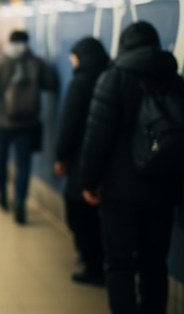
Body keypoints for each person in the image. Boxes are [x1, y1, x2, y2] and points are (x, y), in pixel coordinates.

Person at [79, 21, 184, 314]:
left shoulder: (113, 78)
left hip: (119, 191)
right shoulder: (175, 80)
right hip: (164, 188)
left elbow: (97, 137)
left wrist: (88, 182)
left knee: (120, 263)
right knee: (155, 264)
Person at [0, 30, 57, 223]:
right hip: (27, 122)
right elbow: (49, 83)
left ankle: (2, 196)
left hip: (1, 121)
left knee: (1, 160)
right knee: (24, 164)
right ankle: (20, 202)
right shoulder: (35, 60)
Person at [53, 37, 109, 286]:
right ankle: (96, 258)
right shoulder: (110, 76)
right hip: (106, 159)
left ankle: (92, 263)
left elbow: (69, 123)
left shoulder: (80, 82)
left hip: (80, 158)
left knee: (76, 210)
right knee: (95, 213)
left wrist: (60, 155)